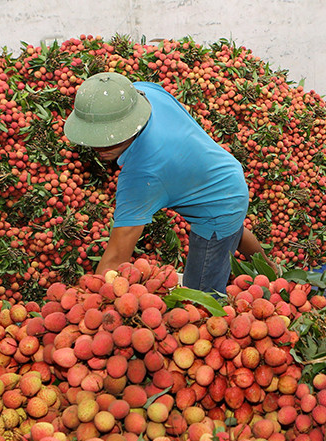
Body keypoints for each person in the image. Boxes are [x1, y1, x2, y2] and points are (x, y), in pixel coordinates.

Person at [62, 72, 274, 294]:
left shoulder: (143, 174)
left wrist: (89, 298)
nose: (99, 147)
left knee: (199, 298)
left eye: (110, 137)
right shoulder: (143, 93)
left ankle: (263, 274)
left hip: (221, 201)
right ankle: (269, 268)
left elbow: (115, 259)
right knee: (229, 228)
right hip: (224, 170)